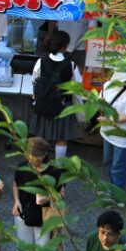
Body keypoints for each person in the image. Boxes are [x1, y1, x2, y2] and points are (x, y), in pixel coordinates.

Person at [11, 137, 63, 251]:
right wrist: (16, 201)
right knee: (23, 249)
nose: (33, 159)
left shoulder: (54, 171)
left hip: (45, 216)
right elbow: (15, 185)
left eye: (37, 156)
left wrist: (48, 197)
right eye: (30, 155)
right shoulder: (22, 167)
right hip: (23, 213)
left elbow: (60, 194)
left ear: (46, 154)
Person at [29, 30, 81, 159]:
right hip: (63, 106)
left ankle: (37, 162)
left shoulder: (41, 61)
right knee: (61, 138)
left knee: (40, 136)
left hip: (43, 103)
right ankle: (59, 165)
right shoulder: (71, 64)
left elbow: (34, 81)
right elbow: (77, 86)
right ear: (64, 46)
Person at [98, 69, 126, 189]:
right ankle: (111, 188)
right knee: (107, 163)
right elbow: (99, 102)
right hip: (108, 133)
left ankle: (117, 196)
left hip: (124, 136)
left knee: (118, 168)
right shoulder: (106, 85)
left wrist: (108, 120)